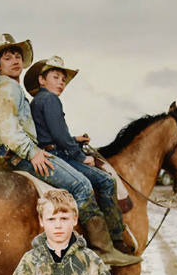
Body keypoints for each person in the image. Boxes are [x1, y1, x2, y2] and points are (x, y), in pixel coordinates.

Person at [0, 33, 140, 267]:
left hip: (14, 150)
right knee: (82, 184)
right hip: (12, 153)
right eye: (7, 58)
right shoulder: (8, 90)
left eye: (17, 56)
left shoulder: (15, 90)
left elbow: (30, 129)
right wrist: (32, 152)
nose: (15, 60)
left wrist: (71, 139)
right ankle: (104, 249)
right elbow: (9, 129)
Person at [25, 55, 134, 256]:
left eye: (63, 80)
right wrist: (80, 155)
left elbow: (51, 134)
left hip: (50, 148)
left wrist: (74, 139)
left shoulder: (37, 101)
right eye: (56, 77)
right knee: (106, 181)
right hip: (57, 154)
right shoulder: (51, 99)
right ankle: (114, 240)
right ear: (42, 80)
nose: (61, 83)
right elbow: (58, 136)